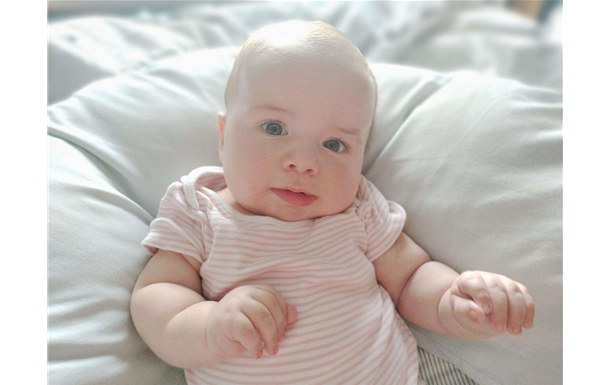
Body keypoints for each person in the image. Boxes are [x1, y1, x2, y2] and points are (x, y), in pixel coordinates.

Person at [130, 20, 535, 385]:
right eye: (274, 128)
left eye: (334, 144)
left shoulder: (356, 208)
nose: (305, 162)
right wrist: (209, 326)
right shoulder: (201, 212)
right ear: (223, 135)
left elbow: (411, 278)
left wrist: (454, 301)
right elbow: (156, 295)